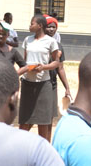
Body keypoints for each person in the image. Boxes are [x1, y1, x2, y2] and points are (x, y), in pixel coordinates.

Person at [18, 14, 62, 142]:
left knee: (43, 121)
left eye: (32, 23)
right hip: (27, 83)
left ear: (40, 25)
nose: (29, 26)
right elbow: (25, 61)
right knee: (24, 120)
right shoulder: (27, 40)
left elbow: (56, 63)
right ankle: (20, 147)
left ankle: (43, 149)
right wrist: (25, 69)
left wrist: (43, 67)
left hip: (43, 85)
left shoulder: (51, 42)